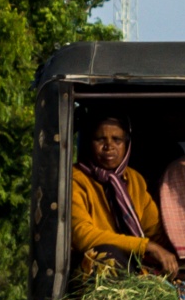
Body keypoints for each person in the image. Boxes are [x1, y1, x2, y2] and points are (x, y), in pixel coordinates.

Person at [71, 116, 178, 277]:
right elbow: (83, 236)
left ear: (127, 145)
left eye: (117, 140)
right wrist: (145, 246)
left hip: (134, 265)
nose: (109, 147)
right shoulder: (75, 178)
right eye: (100, 140)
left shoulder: (134, 179)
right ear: (88, 143)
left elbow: (155, 230)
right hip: (93, 271)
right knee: (107, 255)